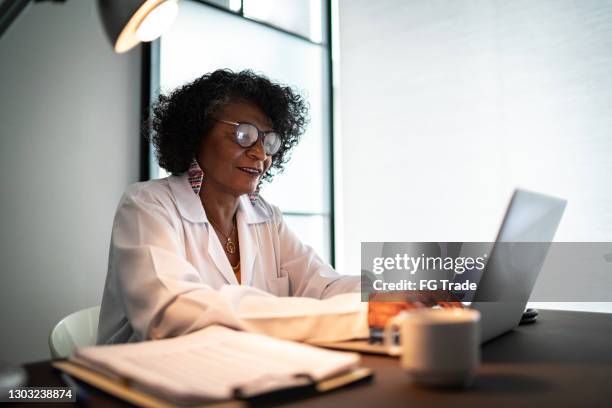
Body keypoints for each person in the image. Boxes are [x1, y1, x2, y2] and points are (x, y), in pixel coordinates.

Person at [97, 69, 367, 345]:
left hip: (237, 369)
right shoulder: (148, 205)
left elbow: (325, 286)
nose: (260, 154)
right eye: (244, 135)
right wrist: (315, 315)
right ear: (197, 133)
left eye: (268, 141)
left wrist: (398, 287)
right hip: (140, 376)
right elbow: (170, 313)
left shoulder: (266, 217)